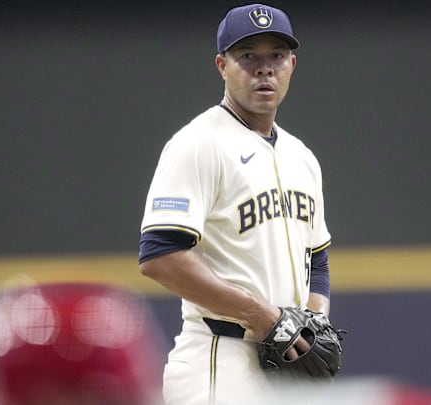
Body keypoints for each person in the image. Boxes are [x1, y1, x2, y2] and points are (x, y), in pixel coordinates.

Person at [138, 4, 334, 404]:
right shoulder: (198, 143)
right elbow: (160, 255)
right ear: (221, 66)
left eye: (276, 56)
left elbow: (317, 261)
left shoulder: (302, 157)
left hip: (283, 366)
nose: (265, 69)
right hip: (218, 361)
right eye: (248, 56)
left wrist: (313, 323)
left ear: (292, 65)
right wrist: (262, 316)